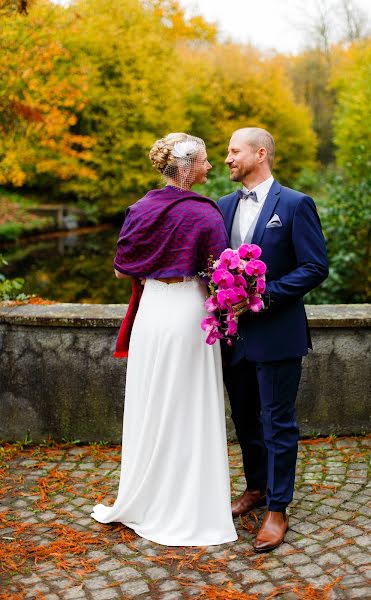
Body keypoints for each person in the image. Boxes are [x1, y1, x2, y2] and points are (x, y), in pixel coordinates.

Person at [91, 133, 237, 547]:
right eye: (206, 162)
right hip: (188, 314)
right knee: (189, 405)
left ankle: (147, 496)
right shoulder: (205, 214)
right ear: (188, 167)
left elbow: (122, 269)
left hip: (151, 314)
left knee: (152, 402)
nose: (210, 167)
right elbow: (217, 276)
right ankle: (189, 505)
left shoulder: (139, 208)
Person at [218, 127, 329, 553]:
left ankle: (278, 508)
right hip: (234, 338)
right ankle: (256, 488)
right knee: (245, 420)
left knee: (277, 422)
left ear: (260, 153)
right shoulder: (223, 205)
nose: (227, 159)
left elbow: (315, 267)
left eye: (234, 151)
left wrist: (262, 296)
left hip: (278, 333)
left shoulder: (297, 204)